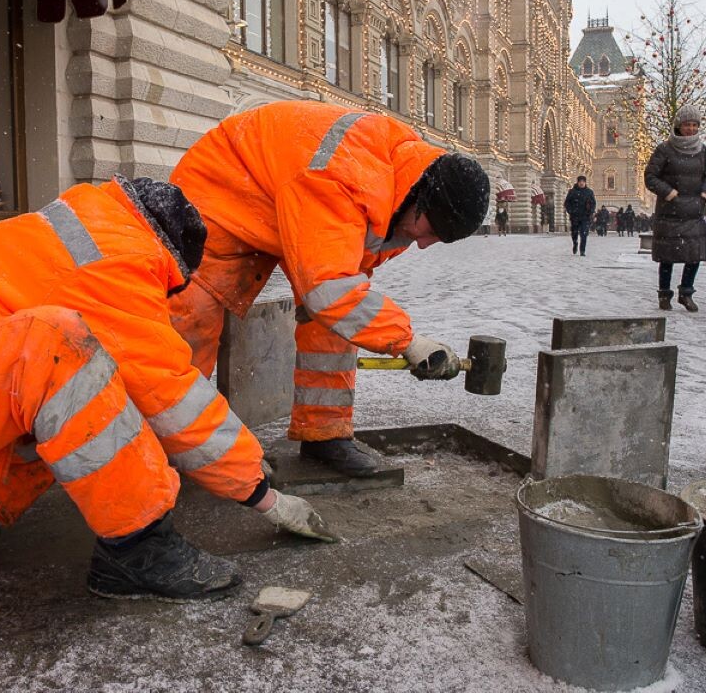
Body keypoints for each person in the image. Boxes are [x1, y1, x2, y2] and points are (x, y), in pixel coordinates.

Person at [0, 177, 336, 601]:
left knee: (61, 381)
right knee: (61, 354)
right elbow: (170, 391)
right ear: (171, 262)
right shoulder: (117, 264)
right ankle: (138, 547)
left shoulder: (81, 232)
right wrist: (260, 492)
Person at [169, 101, 489, 478]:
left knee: (335, 323)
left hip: (288, 196)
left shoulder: (401, 191)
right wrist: (408, 342)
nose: (422, 245)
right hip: (223, 194)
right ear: (421, 202)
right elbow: (329, 289)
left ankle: (324, 434)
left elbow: (341, 293)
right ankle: (166, 455)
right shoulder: (346, 179)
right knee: (190, 324)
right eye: (431, 232)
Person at [644, 104, 706, 312]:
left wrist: (705, 194)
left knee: (695, 254)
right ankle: (664, 295)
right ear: (678, 126)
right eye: (686, 125)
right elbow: (650, 177)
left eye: (694, 125)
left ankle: (686, 292)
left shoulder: (701, 150)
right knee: (667, 256)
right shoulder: (665, 149)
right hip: (670, 212)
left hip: (693, 210)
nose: (691, 129)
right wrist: (669, 192)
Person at [564, 175, 596, 256]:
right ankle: (575, 243)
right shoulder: (572, 191)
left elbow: (593, 203)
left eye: (583, 181)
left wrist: (591, 211)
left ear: (585, 182)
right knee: (574, 233)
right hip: (575, 216)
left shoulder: (589, 192)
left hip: (585, 216)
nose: (581, 183)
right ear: (577, 182)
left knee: (584, 234)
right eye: (580, 181)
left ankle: (582, 250)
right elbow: (567, 203)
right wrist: (570, 211)